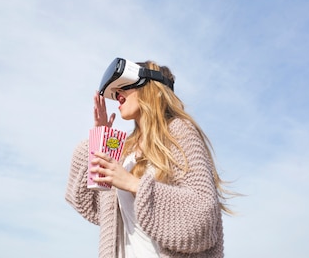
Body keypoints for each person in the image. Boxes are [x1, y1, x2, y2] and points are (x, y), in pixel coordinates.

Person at [66, 59, 233, 258]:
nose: (118, 94)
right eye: (115, 91)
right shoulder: (123, 148)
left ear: (148, 87)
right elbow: (90, 206)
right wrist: (100, 139)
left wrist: (133, 184)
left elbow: (203, 216)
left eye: (124, 87)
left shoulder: (179, 132)